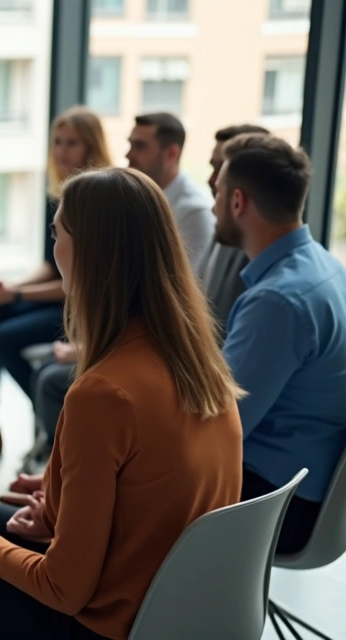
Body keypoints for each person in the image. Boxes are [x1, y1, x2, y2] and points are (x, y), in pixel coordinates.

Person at [0, 167, 244, 640]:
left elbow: (64, 589)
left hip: (106, 626)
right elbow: (148, 490)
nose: (54, 248)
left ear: (90, 253)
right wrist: (61, 500)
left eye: (58, 233)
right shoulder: (201, 364)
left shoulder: (102, 393)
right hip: (174, 609)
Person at [23, 122, 270, 458]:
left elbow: (75, 513)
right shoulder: (211, 377)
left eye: (57, 235)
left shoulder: (98, 393)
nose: (213, 183)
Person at [0, 106, 110, 455]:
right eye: (57, 142)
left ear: (91, 147)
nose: (62, 151)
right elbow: (52, 264)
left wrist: (17, 292)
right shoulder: (60, 195)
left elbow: (80, 285)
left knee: (2, 337)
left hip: (83, 308)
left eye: (72, 143)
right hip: (62, 296)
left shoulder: (98, 200)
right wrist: (9, 287)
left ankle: (59, 422)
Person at [214, 133, 346, 554]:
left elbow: (218, 426)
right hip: (313, 496)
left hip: (276, 504)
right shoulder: (325, 267)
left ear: (238, 201)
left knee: (128, 479)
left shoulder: (277, 301)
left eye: (216, 189)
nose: (212, 202)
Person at [126, 112, 215, 266]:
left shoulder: (194, 212)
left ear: (171, 153)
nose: (128, 154)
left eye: (140, 146)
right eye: (131, 144)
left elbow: (192, 284)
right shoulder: (134, 197)